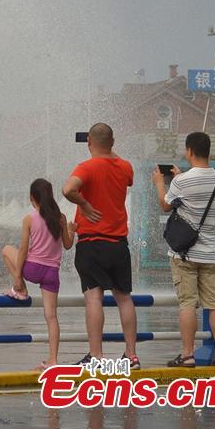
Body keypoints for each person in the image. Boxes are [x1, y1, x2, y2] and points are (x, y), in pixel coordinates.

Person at [62, 123, 139, 369]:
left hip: (92, 243)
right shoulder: (125, 167)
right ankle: (131, 355)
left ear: (89, 143)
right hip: (118, 244)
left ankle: (96, 356)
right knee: (124, 298)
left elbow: (67, 189)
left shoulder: (86, 167)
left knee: (94, 298)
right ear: (113, 143)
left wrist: (83, 205)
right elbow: (121, 169)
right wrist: (108, 148)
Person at [152, 132, 215, 367]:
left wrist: (160, 183)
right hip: (211, 254)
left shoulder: (181, 181)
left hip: (185, 254)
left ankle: (187, 354)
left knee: (187, 303)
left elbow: (166, 205)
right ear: (209, 151)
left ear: (189, 152)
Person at [1, 178, 75, 369]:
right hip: (52, 273)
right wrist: (71, 231)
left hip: (32, 269)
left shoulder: (29, 219)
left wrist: (18, 277)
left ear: (33, 197)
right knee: (51, 316)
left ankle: (22, 290)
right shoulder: (61, 218)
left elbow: (24, 250)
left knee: (6, 249)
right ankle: (53, 360)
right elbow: (67, 246)